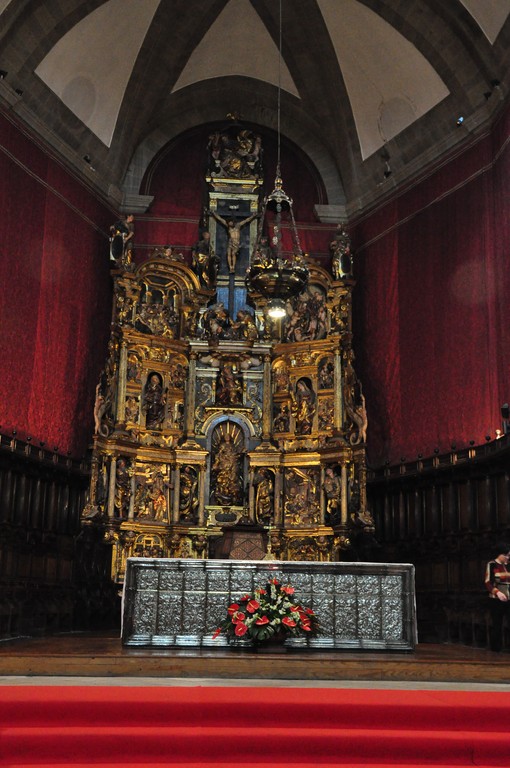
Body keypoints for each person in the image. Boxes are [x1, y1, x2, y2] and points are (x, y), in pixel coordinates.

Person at [485, 549, 510, 651]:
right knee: (497, 624)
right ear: (500, 555)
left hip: (509, 598)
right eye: (507, 555)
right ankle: (496, 648)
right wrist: (497, 592)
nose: (508, 558)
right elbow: (488, 582)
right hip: (496, 599)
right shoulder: (492, 564)